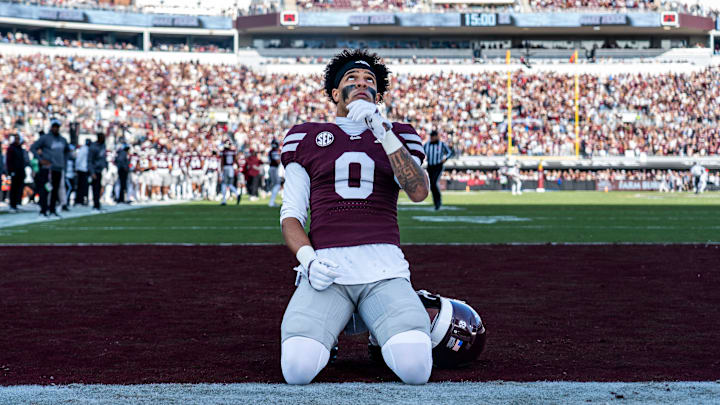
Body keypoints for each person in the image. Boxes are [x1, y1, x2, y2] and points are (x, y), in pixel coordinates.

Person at [279, 49, 431, 385]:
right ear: (335, 93)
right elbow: (291, 216)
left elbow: (419, 191)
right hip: (327, 270)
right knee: (297, 370)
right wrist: (309, 262)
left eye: (369, 82)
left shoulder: (398, 134)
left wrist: (380, 127)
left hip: (383, 268)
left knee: (415, 370)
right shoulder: (305, 136)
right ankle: (339, 327)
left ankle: (386, 327)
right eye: (352, 80)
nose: (362, 85)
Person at [30, 119, 70, 217]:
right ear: (51, 127)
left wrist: (63, 162)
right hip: (47, 168)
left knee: (55, 190)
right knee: (46, 189)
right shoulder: (45, 138)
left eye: (57, 127)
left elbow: (67, 151)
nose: (56, 128)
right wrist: (40, 159)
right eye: (54, 126)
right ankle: (43, 210)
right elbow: (33, 148)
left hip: (58, 168)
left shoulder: (62, 139)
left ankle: (52, 209)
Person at [423, 129, 454, 210]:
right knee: (432, 184)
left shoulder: (441, 144)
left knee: (434, 182)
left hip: (438, 166)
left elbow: (450, 152)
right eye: (431, 136)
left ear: (436, 137)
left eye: (433, 136)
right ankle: (436, 201)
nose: (432, 138)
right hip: (430, 166)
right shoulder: (427, 145)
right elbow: (421, 152)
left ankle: (438, 201)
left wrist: (445, 158)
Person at [6, 134, 26, 213]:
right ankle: (12, 205)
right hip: (14, 171)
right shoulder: (11, 148)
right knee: (14, 188)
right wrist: (11, 171)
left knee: (18, 188)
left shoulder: (19, 148)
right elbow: (9, 161)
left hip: (20, 171)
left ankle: (16, 204)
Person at [88, 132, 107, 211]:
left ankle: (98, 204)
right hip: (95, 170)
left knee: (99, 188)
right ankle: (95, 205)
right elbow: (89, 160)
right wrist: (92, 172)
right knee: (95, 188)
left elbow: (103, 158)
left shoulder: (103, 146)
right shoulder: (93, 147)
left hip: (101, 170)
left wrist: (105, 166)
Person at [220, 141, 241, 205]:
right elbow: (236, 160)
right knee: (229, 184)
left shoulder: (224, 152)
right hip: (231, 168)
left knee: (224, 184)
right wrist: (238, 167)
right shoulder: (233, 152)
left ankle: (224, 200)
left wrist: (221, 170)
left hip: (226, 168)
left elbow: (222, 161)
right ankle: (237, 194)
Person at [75, 139, 90, 206]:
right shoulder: (84, 149)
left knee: (83, 186)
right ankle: (79, 200)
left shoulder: (85, 148)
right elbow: (79, 159)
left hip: (83, 169)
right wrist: (77, 167)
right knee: (81, 186)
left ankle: (82, 200)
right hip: (82, 170)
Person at [267, 139, 282, 207]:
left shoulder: (271, 151)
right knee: (277, 184)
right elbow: (278, 161)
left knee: (276, 185)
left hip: (272, 168)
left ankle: (272, 202)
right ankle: (271, 202)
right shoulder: (274, 152)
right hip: (274, 168)